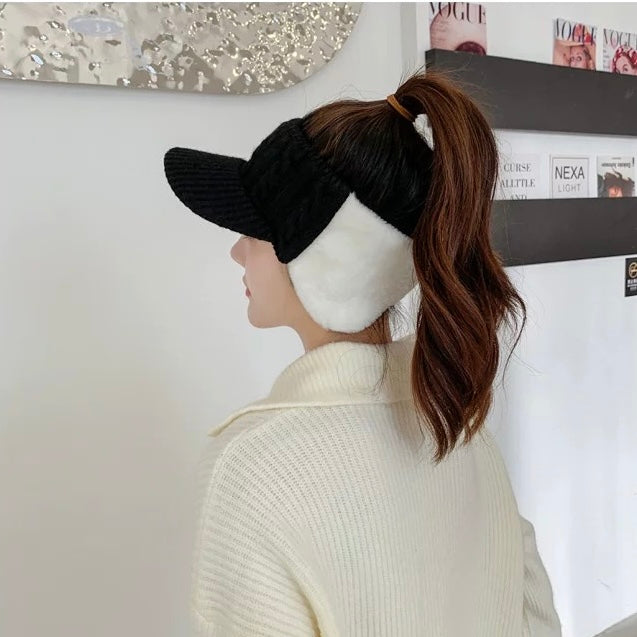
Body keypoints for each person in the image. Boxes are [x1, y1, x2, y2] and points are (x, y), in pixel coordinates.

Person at [163, 68, 562, 636]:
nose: (237, 252)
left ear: (326, 265)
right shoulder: (454, 418)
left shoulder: (252, 470)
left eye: (254, 232)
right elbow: (534, 614)